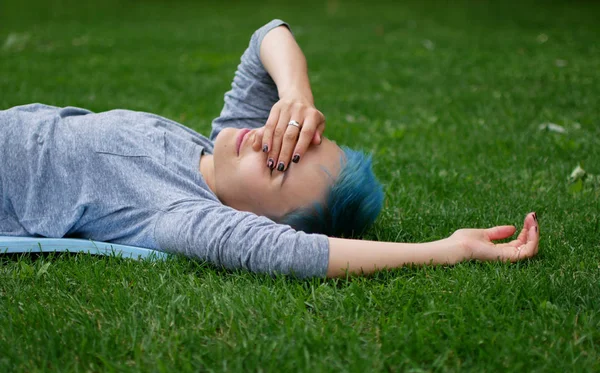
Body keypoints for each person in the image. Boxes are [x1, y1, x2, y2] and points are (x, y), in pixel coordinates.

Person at [0, 20, 539, 278]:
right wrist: (297, 98)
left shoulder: (184, 215)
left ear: (252, 221)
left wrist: (447, 248)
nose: (266, 139)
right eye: (294, 139)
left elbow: (301, 254)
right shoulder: (220, 150)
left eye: (280, 162)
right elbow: (268, 35)